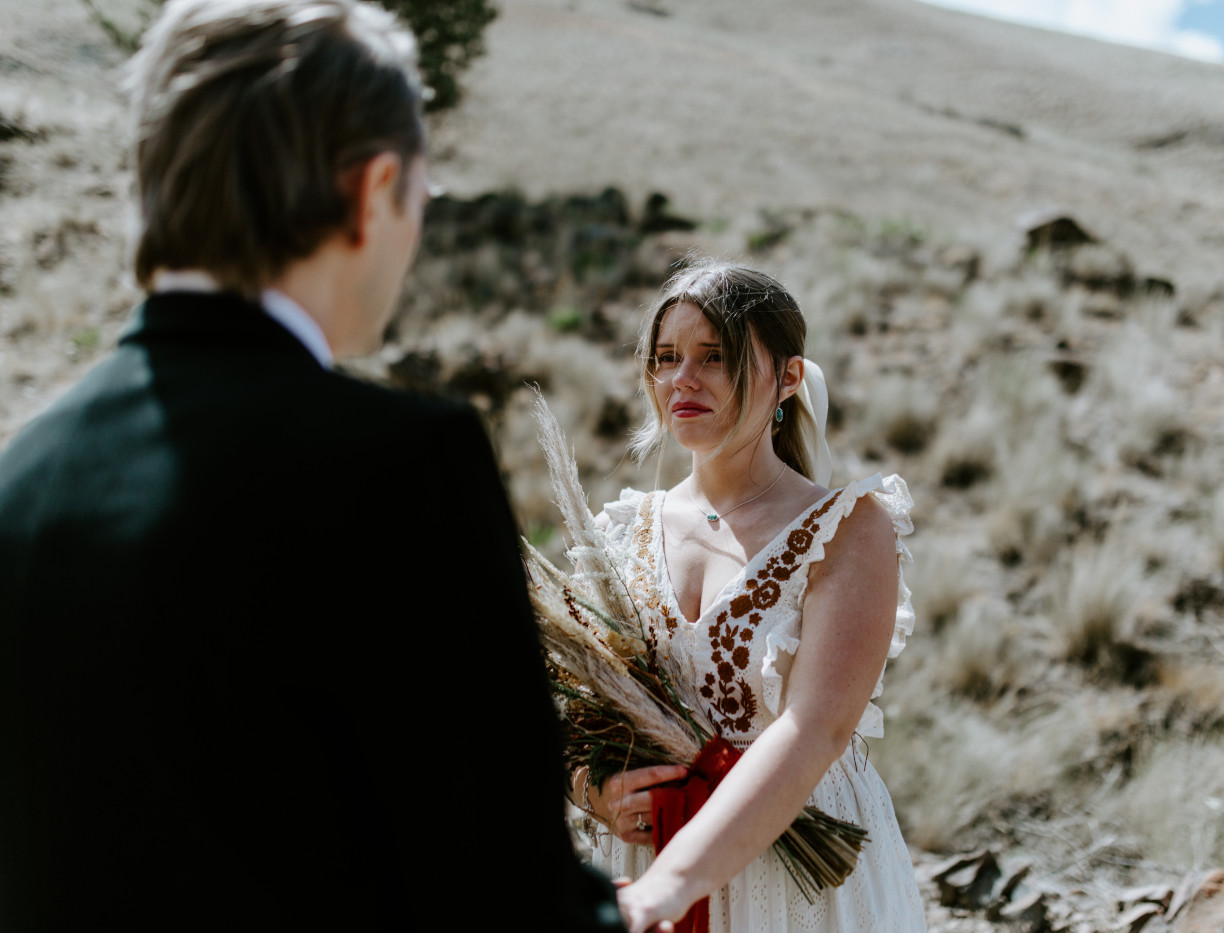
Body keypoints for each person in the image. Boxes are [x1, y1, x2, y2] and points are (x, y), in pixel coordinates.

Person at [0, 1, 621, 929]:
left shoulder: (24, 476)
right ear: (373, 190)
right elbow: (499, 892)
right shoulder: (398, 468)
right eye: (423, 194)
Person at [572, 261, 927, 932]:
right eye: (667, 357)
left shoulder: (849, 529)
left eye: (716, 356)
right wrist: (596, 793)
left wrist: (667, 892)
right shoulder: (619, 532)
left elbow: (813, 729)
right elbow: (579, 713)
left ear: (789, 377)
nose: (683, 378)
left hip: (793, 878)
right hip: (645, 859)